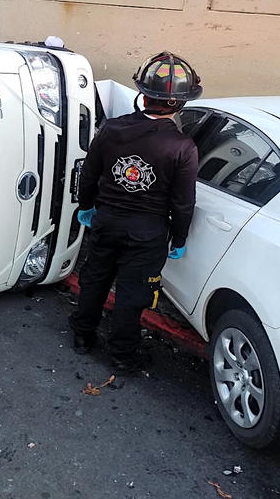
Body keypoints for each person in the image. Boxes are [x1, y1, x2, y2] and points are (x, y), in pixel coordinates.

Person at [69, 52, 202, 373]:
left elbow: (89, 174)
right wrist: (180, 237)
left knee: (95, 278)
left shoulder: (112, 129)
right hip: (148, 233)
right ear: (180, 104)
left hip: (107, 221)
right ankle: (121, 355)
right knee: (133, 293)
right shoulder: (183, 147)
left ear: (144, 94)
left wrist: (86, 207)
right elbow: (183, 202)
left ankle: (82, 336)